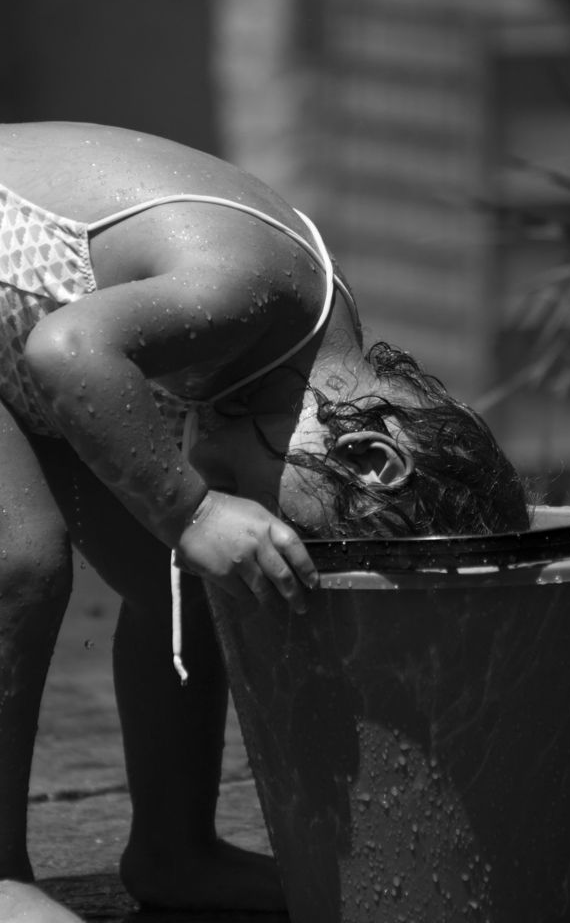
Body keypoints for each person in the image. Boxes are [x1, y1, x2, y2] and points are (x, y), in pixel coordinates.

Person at [0, 121, 529, 921]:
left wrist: (193, 529)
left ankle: (175, 850)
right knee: (21, 561)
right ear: (370, 458)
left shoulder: (288, 352)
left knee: (183, 579)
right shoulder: (256, 289)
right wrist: (195, 508)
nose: (279, 533)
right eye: (315, 535)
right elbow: (66, 349)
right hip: (41, 341)